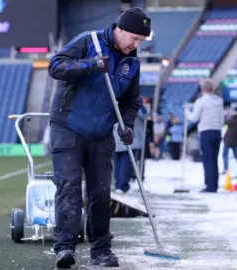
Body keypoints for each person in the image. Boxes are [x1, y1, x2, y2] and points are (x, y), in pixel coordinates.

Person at [47, 7, 151, 269]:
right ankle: (65, 247)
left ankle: (101, 251)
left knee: (101, 193)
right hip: (68, 125)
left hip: (101, 132)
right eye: (134, 38)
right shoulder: (88, 41)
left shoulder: (132, 62)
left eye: (140, 41)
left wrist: (125, 126)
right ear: (121, 30)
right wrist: (90, 65)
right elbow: (55, 66)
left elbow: (131, 101)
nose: (135, 45)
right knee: (69, 186)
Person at [185, 78, 224, 193]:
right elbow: (222, 119)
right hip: (217, 131)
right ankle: (214, 185)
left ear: (202, 88)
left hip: (206, 132)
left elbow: (194, 118)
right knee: (214, 160)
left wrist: (187, 112)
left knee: (207, 160)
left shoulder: (201, 101)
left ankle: (209, 186)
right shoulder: (219, 100)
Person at [113, 98, 147, 193]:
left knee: (118, 162)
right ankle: (123, 185)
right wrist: (145, 108)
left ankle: (118, 184)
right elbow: (144, 115)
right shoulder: (133, 100)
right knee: (126, 163)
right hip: (130, 136)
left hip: (116, 136)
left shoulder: (115, 98)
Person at [222, 106, 237, 175]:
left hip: (228, 140)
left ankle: (226, 170)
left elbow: (225, 122)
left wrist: (225, 114)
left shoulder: (234, 119)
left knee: (225, 155)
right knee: (236, 156)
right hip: (236, 140)